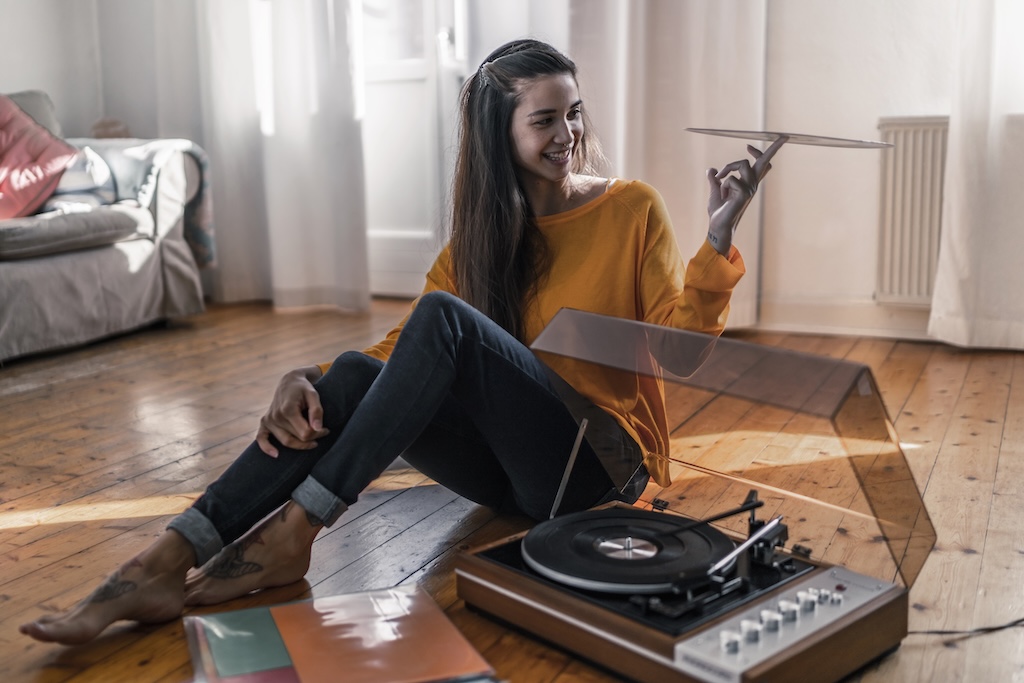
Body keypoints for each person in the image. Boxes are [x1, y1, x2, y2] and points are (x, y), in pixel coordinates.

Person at [20, 38, 784, 645]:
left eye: (574, 113)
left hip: (601, 467)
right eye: (545, 120)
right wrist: (302, 375)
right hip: (518, 481)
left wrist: (717, 240)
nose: (570, 134)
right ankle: (168, 556)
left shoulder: (630, 209)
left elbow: (678, 354)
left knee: (441, 321)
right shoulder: (482, 237)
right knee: (349, 373)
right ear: (502, 133)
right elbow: (397, 352)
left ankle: (297, 529)